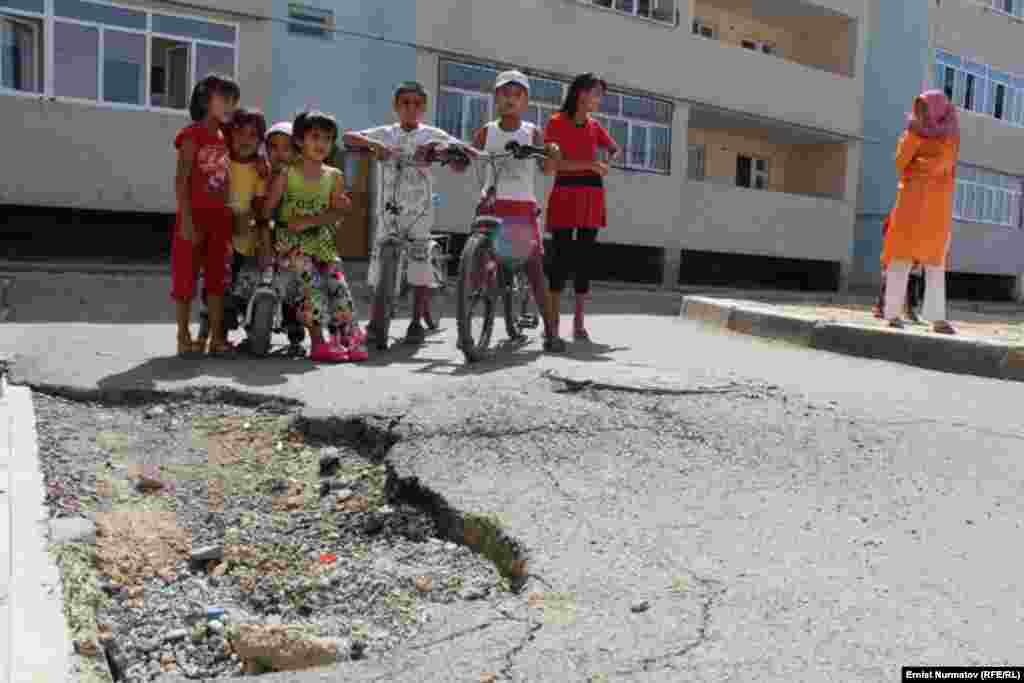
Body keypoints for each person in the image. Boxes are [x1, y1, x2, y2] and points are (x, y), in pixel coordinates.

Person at [342, 81, 473, 349]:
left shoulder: (431, 134)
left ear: (424, 108)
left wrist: (443, 152)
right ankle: (377, 322)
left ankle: (416, 322)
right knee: (381, 265)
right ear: (396, 106)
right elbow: (348, 137)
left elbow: (461, 153)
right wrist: (373, 145)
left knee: (419, 265)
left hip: (420, 209)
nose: (411, 108)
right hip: (388, 210)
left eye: (417, 104)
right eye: (405, 103)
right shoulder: (386, 133)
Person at [471, 70, 566, 352]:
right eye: (504, 94)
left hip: (521, 207)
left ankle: (551, 332)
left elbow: (547, 168)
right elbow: (465, 159)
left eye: (517, 95)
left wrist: (553, 154)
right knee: (478, 260)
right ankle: (470, 310)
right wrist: (453, 153)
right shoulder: (486, 132)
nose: (510, 99)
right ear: (496, 98)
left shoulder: (532, 132)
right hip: (491, 204)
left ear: (526, 101)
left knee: (534, 269)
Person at [265, 110, 369, 363]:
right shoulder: (287, 174)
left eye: (328, 138)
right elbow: (267, 210)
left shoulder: (333, 176)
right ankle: (318, 343)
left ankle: (348, 338)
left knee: (338, 286)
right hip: (291, 245)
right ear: (300, 141)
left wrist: (323, 216)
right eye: (315, 137)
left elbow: (336, 213)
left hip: (322, 244)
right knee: (311, 285)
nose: (322, 143)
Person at [543, 72, 620, 344]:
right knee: (560, 257)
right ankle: (552, 322)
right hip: (565, 192)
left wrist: (606, 160)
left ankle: (578, 322)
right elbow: (554, 165)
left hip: (592, 196)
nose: (599, 100)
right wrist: (590, 164)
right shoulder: (556, 122)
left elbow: (614, 149)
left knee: (584, 260)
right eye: (596, 94)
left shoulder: (595, 126)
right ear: (581, 93)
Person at [880, 89, 960, 334]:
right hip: (910, 205)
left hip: (937, 208)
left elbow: (943, 165)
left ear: (940, 110)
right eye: (920, 108)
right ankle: (892, 314)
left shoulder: (950, 137)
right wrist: (915, 142)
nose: (923, 113)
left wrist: (917, 165)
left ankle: (937, 319)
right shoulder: (911, 133)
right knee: (900, 258)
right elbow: (899, 162)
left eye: (927, 108)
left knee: (935, 263)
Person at [171, 73, 239, 358]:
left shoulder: (225, 138)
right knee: (185, 278)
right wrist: (186, 220)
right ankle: (183, 335)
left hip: (220, 221)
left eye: (234, 101)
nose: (230, 105)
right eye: (224, 99)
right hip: (193, 218)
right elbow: (181, 180)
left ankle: (215, 338)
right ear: (204, 100)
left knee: (217, 280)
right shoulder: (192, 134)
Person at [195, 107, 270, 354]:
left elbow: (258, 205)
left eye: (253, 135)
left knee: (234, 291)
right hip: (218, 235)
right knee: (214, 287)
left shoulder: (259, 170)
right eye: (239, 133)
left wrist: (257, 230)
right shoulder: (221, 160)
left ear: (260, 141)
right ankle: (207, 335)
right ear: (229, 133)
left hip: (242, 240)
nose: (245, 140)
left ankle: (222, 337)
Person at [264, 121, 307, 356]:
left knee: (292, 288)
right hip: (265, 234)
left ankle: (295, 336)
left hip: (291, 239)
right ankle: (256, 330)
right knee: (262, 281)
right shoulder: (263, 173)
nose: (279, 153)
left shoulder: (297, 177)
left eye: (286, 147)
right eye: (273, 147)